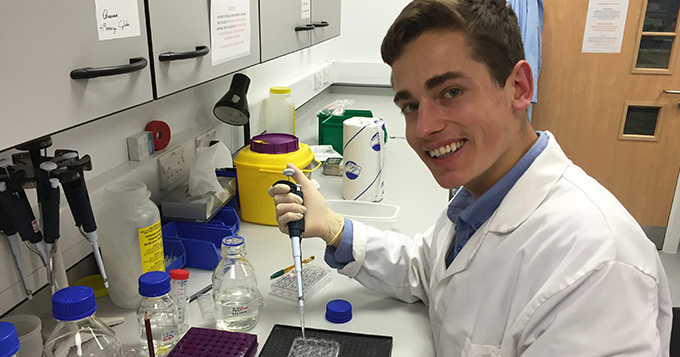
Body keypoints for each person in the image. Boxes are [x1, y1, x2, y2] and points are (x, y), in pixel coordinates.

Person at [269, 0, 672, 355]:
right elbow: (428, 271)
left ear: (518, 87)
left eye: (451, 92)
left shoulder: (597, 267)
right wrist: (336, 229)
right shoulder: (480, 199)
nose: (424, 127)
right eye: (410, 105)